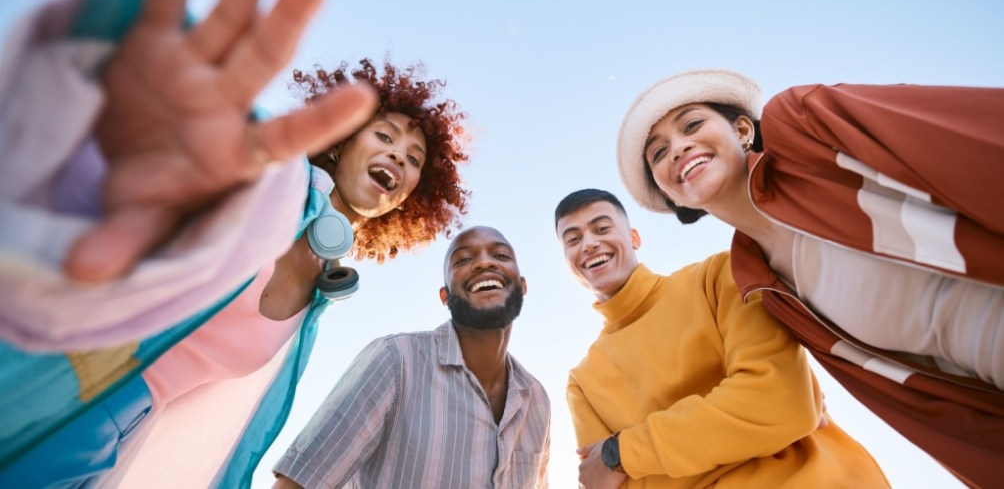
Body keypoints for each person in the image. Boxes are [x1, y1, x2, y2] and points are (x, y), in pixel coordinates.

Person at [0, 0, 470, 487]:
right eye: (384, 136)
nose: (399, 156)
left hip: (109, 445)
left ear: (408, 200)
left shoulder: (321, 296)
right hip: (52, 378)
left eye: (414, 159)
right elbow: (213, 153)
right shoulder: (271, 183)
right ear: (341, 142)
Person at [615, 69, 1004, 487]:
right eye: (658, 153)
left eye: (692, 125)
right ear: (669, 195)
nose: (678, 148)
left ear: (743, 129)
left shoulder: (802, 125)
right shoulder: (762, 288)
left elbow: (960, 131)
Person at [554, 188, 887, 488]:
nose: (589, 243)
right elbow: (605, 482)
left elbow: (780, 402)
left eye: (601, 228)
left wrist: (623, 450)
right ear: (568, 264)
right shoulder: (582, 383)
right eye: (573, 239)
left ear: (634, 237)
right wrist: (744, 424)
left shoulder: (717, 277)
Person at [272, 226, 551, 489]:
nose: (484, 263)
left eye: (501, 255)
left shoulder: (537, 400)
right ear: (445, 296)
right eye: (463, 259)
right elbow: (298, 483)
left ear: (523, 285)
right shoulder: (396, 362)